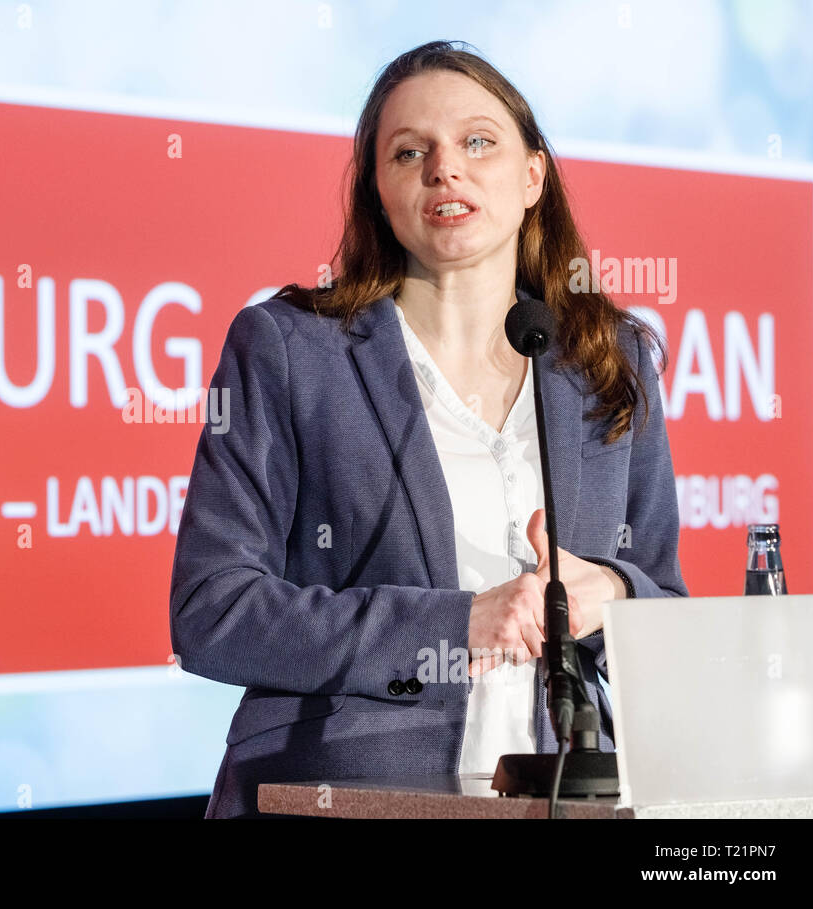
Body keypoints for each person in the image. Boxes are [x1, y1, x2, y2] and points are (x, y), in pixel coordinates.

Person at [168, 40, 688, 819]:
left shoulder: (607, 359)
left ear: (532, 177)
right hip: (345, 792)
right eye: (410, 152)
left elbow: (663, 601)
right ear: (380, 190)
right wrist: (454, 625)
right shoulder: (287, 349)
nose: (446, 168)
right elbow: (214, 610)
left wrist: (609, 592)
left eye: (479, 141)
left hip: (571, 795)